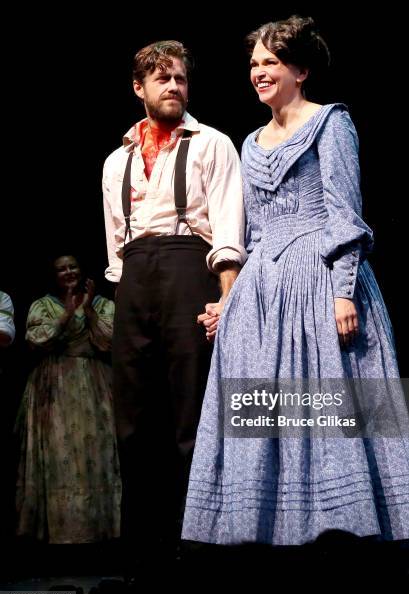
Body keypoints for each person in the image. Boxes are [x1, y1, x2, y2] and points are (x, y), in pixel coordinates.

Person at [183, 16, 409, 545]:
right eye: (253, 64)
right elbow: (253, 230)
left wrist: (343, 289)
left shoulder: (331, 123)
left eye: (270, 62)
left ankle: (339, 531)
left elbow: (345, 212)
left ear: (301, 69)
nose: (259, 72)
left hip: (319, 277)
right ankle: (264, 530)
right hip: (263, 291)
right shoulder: (250, 142)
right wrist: (231, 300)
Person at [102, 40, 245, 559]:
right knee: (134, 418)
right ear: (139, 88)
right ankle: (144, 547)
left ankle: (200, 546)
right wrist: (128, 303)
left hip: (192, 269)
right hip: (136, 279)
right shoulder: (115, 161)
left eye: (180, 79)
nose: (174, 87)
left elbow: (229, 227)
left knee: (192, 411)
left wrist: (226, 299)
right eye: (162, 79)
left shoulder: (213, 143)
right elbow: (115, 243)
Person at [15, 255, 121, 543]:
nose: (68, 272)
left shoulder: (102, 305)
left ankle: (100, 531)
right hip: (55, 385)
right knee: (59, 453)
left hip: (94, 384)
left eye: (72, 267)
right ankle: (63, 534)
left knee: (95, 453)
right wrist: (65, 316)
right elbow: (36, 340)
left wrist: (87, 311)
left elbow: (112, 341)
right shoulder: (43, 305)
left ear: (82, 270)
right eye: (61, 269)